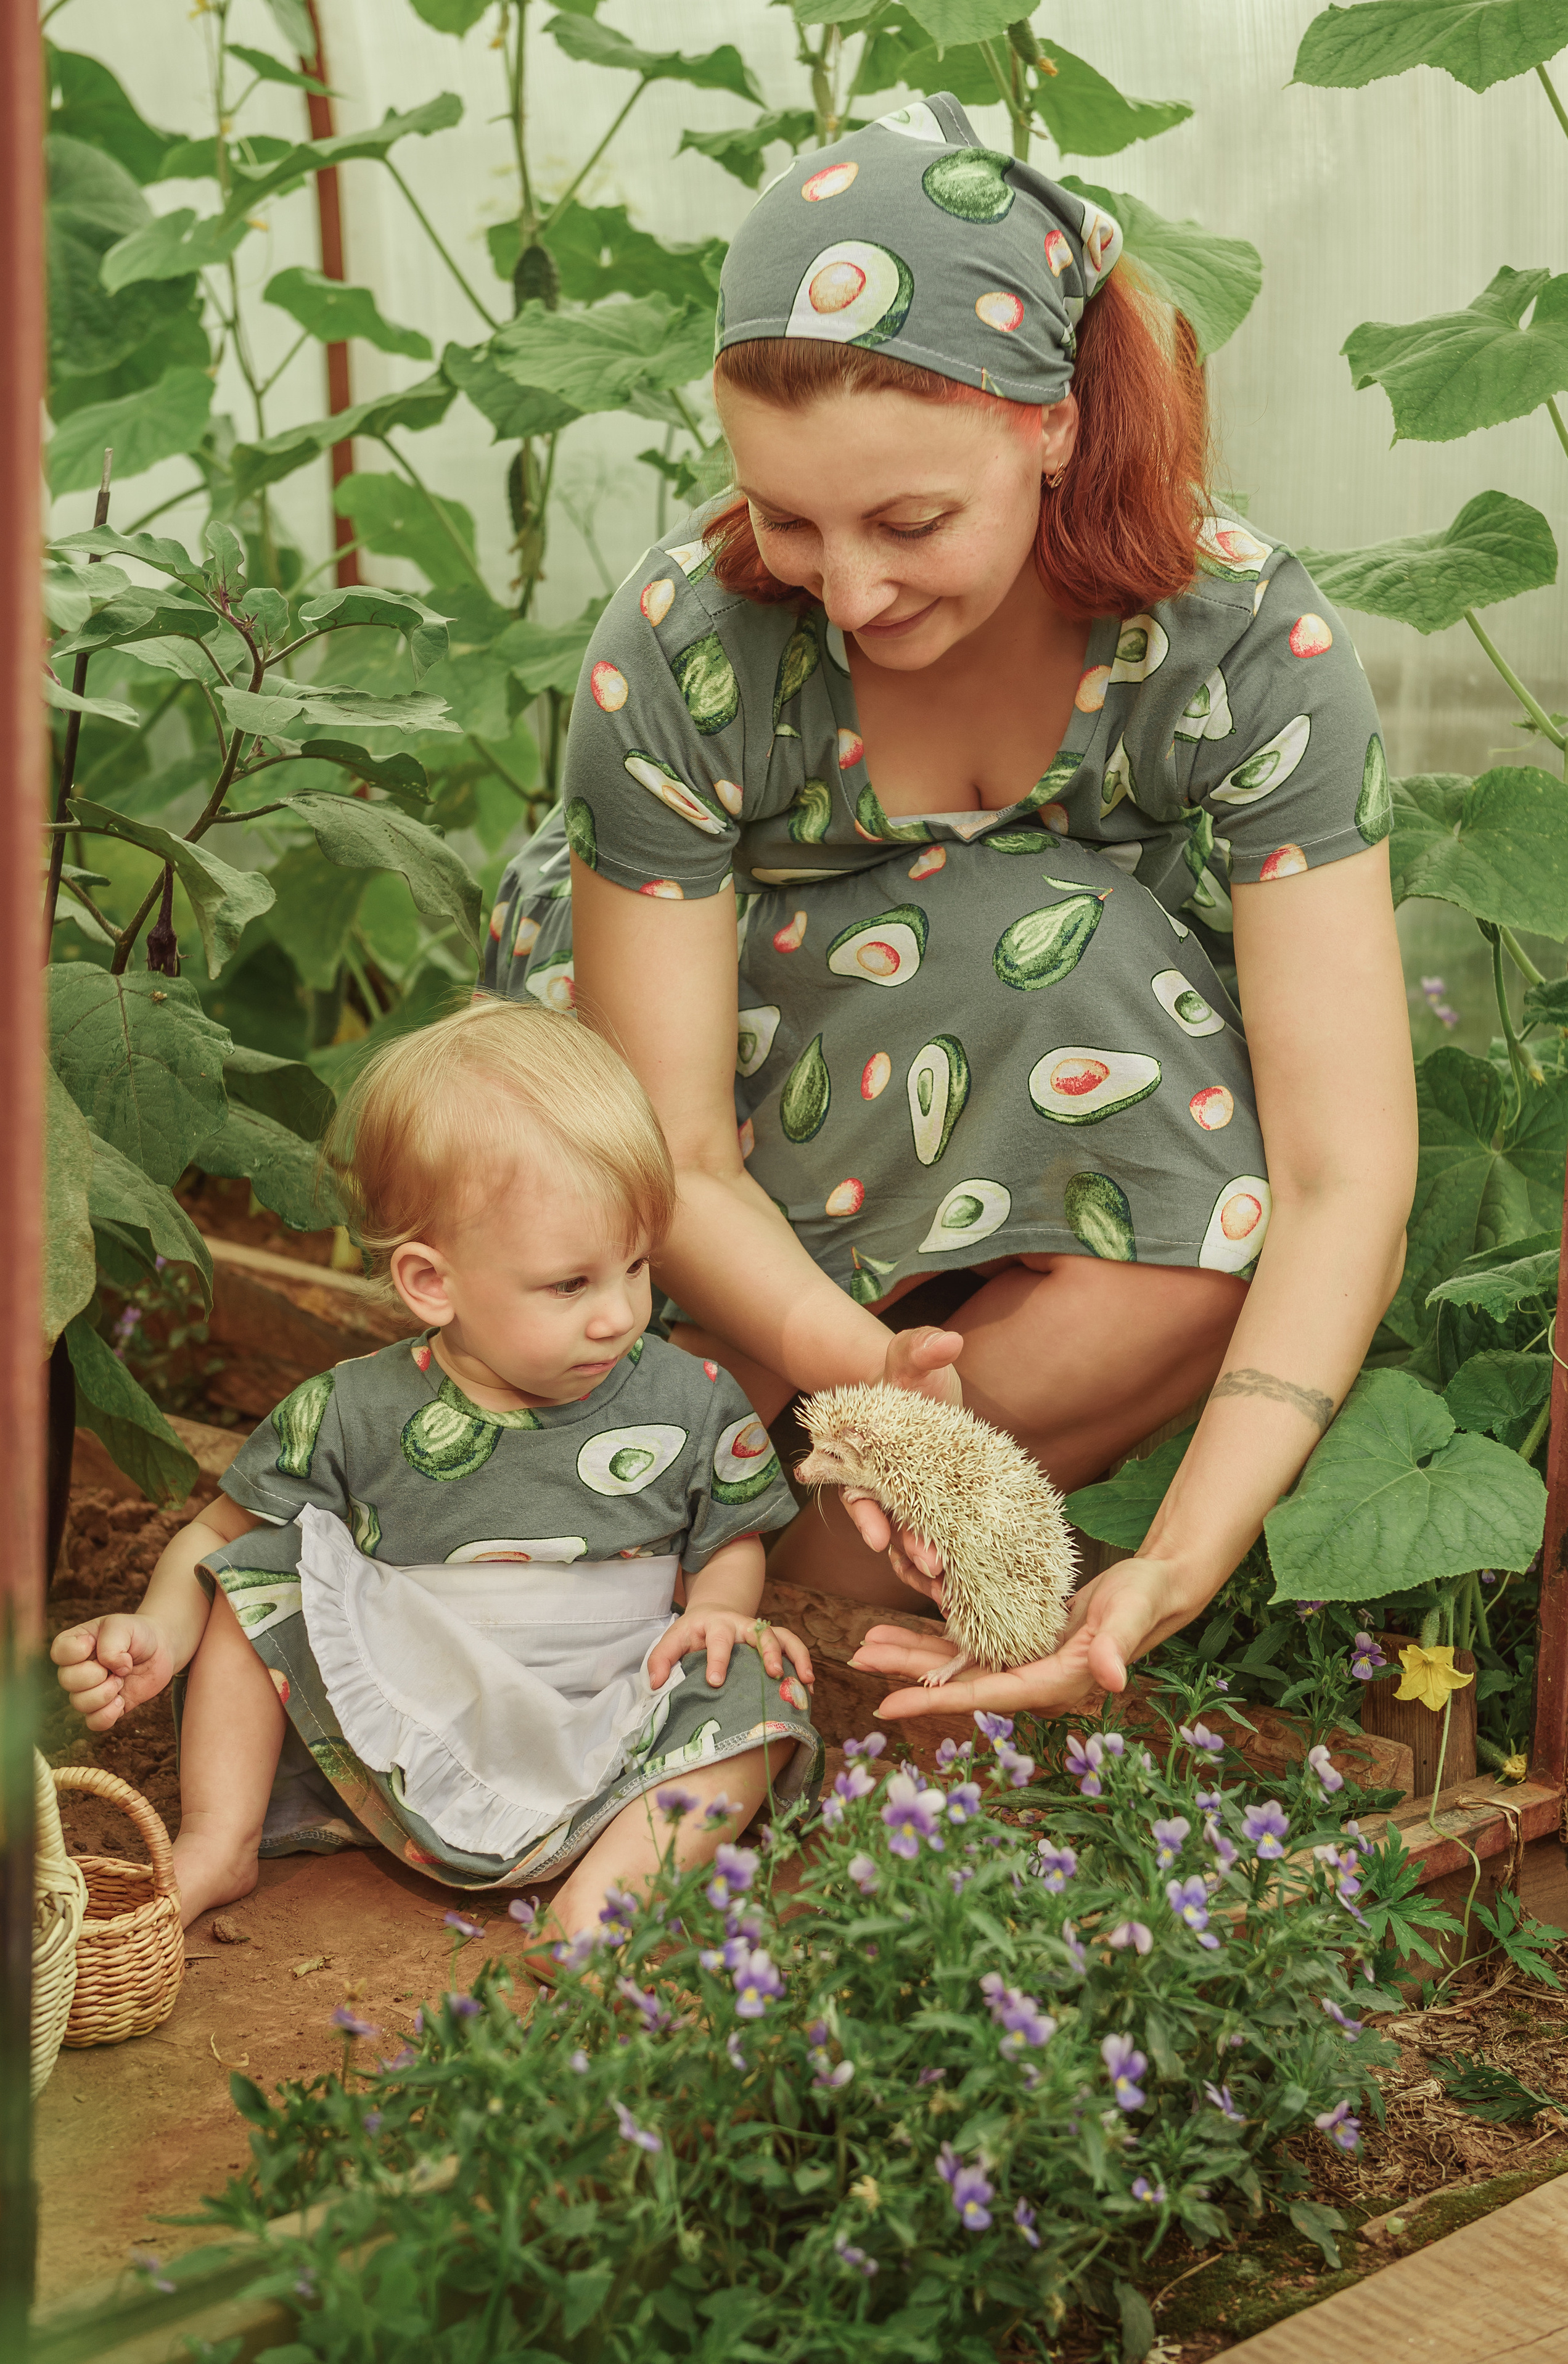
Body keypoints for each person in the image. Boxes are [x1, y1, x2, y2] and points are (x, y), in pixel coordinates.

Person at [483, 95, 1418, 1723]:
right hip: (714, 1115)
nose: (845, 592)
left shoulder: (1246, 646)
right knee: (1026, 959)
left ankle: (796, 1568)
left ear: (1053, 424)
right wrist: (864, 1375)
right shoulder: (690, 645)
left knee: (1183, 1167)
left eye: (908, 520)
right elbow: (669, 1149)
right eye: (786, 515)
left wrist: (1178, 1559)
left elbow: (1344, 1179)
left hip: (1028, 1069)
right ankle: (717, 1489)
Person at [49, 1003, 819, 1937]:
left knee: (764, 1686)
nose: (618, 1314)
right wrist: (160, 1631)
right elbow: (214, 1542)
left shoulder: (691, 1398)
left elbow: (729, 1532)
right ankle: (218, 1838)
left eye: (636, 1265)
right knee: (259, 1577)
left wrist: (719, 1611)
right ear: (432, 1282)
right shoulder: (352, 1412)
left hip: (618, 1711)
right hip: (414, 1712)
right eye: (571, 1283)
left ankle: (610, 1897)